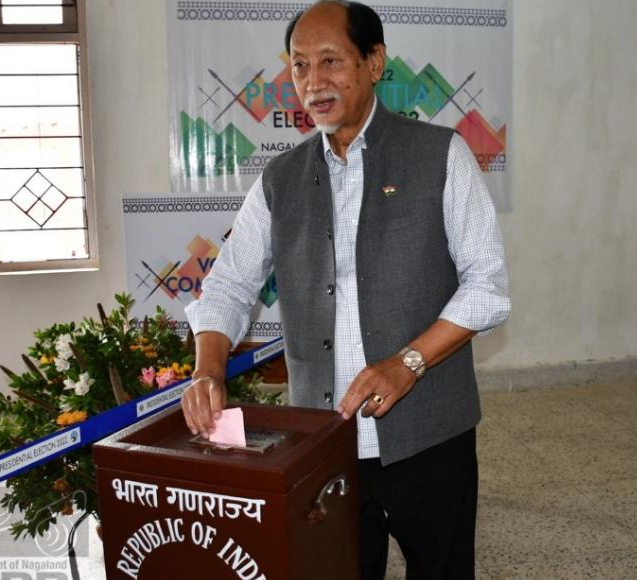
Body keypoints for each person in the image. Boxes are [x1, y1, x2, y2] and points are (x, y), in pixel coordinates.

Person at [182, 1, 510, 577]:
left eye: (330, 61)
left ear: (375, 61)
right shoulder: (280, 179)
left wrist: (408, 362)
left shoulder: (440, 156)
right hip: (322, 443)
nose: (313, 84)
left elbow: (488, 286)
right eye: (300, 67)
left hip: (429, 437)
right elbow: (230, 283)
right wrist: (207, 369)